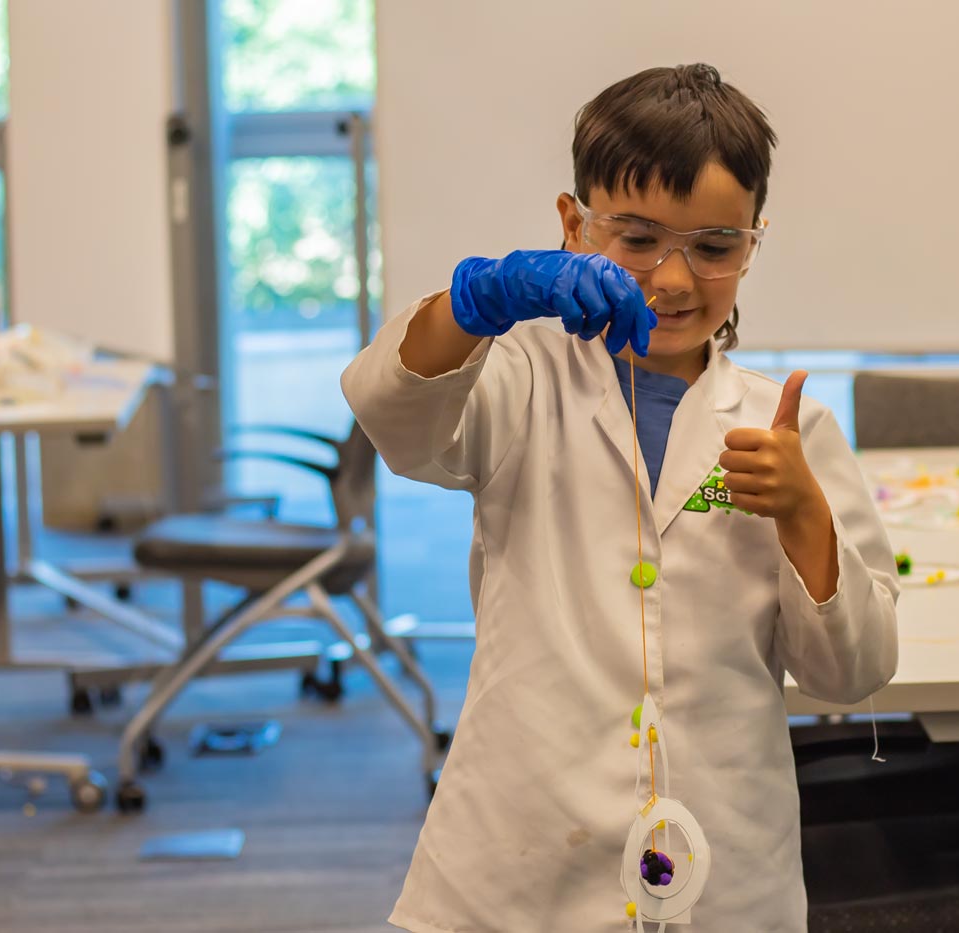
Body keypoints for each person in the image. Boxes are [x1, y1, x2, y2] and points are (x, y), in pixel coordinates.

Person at [342, 62, 899, 933]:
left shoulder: (789, 428)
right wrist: (477, 300)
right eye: (636, 238)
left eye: (714, 246)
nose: (674, 279)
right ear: (573, 225)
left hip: (724, 876)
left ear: (754, 242)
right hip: (514, 869)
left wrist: (803, 513)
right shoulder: (520, 382)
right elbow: (393, 413)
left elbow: (851, 673)